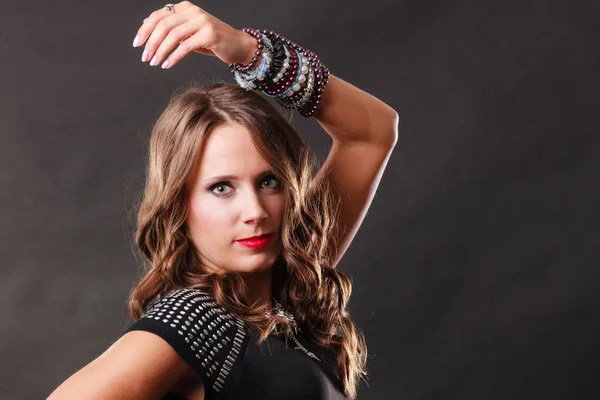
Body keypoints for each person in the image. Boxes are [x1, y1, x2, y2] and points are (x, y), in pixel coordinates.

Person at [47, 2, 398, 399]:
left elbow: (372, 133)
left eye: (269, 181)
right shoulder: (196, 322)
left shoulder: (293, 291)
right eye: (221, 188)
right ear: (179, 205)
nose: (255, 212)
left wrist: (250, 52)